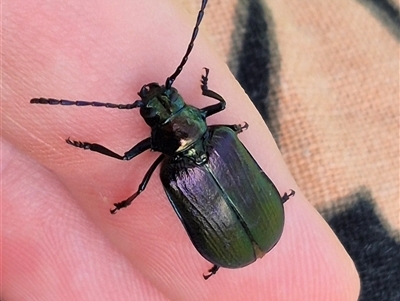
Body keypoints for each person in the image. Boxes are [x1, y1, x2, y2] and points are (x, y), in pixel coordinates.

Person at [2, 1, 360, 300]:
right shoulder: (222, 136)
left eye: (163, 102)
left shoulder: (185, 162)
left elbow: (130, 160)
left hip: (254, 230)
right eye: (164, 101)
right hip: (257, 228)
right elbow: (216, 105)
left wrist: (121, 189)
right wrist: (206, 88)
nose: (156, 96)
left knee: (132, 164)